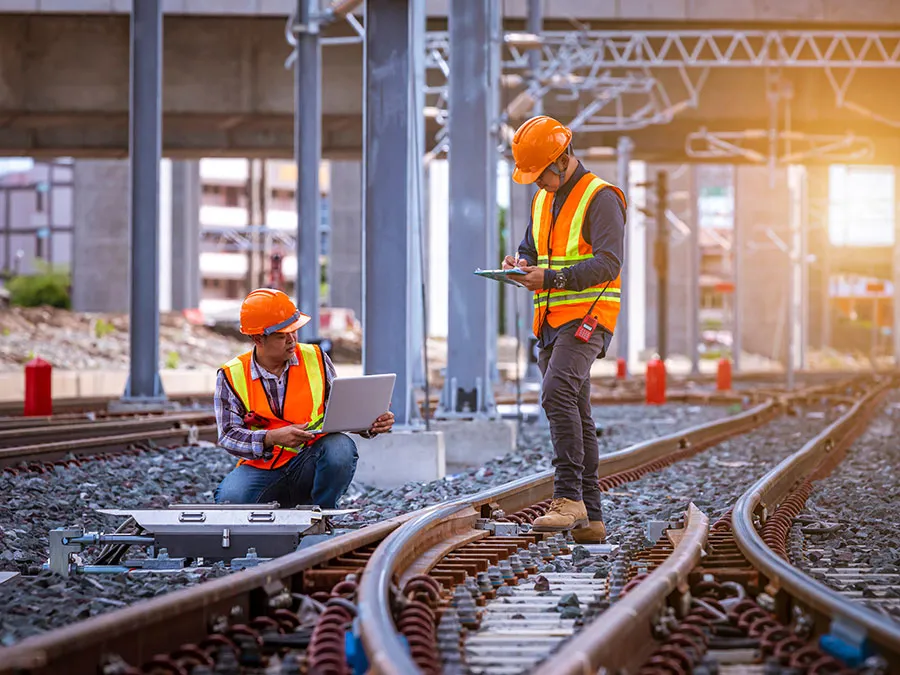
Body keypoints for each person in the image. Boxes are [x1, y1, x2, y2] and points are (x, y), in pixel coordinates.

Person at [503, 115, 626, 544]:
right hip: (550, 322)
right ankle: (591, 517)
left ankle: (568, 497)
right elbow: (530, 248)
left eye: (541, 175)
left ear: (562, 159)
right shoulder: (542, 200)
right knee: (577, 408)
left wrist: (551, 280)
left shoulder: (601, 197)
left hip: (588, 319)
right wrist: (518, 265)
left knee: (556, 394)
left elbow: (610, 262)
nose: (538, 184)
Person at [213, 288, 395, 508]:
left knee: (340, 448)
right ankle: (281, 508)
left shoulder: (316, 358)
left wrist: (370, 423)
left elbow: (338, 412)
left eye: (294, 331)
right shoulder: (231, 375)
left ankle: (322, 514)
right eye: (282, 335)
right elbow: (228, 436)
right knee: (230, 500)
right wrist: (271, 438)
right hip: (263, 467)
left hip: (311, 460)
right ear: (257, 338)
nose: (292, 340)